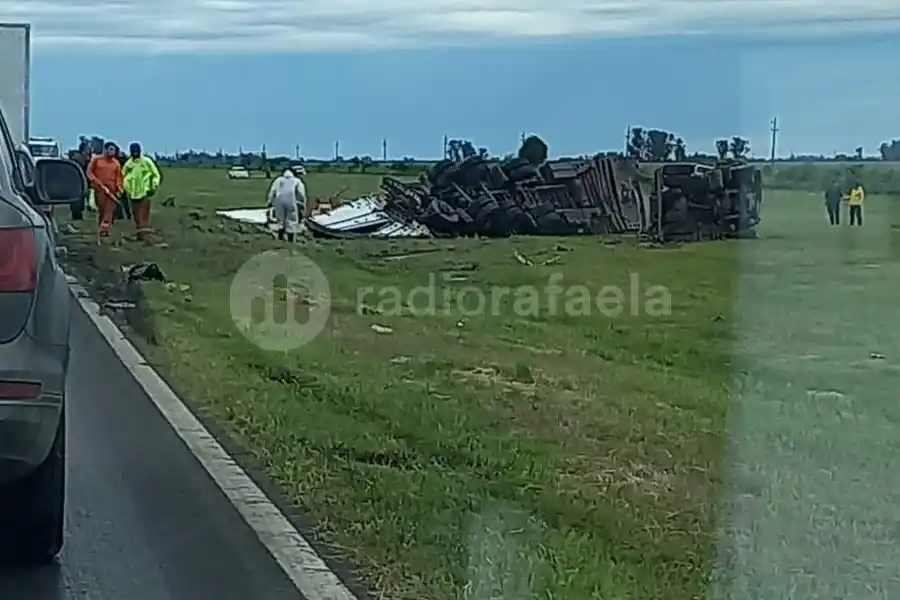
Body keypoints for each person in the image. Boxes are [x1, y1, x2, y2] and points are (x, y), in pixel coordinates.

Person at [122, 142, 161, 241]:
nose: (135, 152)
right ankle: (140, 235)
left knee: (144, 215)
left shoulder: (146, 161)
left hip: (145, 192)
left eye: (137, 150)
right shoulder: (128, 164)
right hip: (132, 194)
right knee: (136, 216)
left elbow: (156, 175)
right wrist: (125, 189)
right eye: (133, 150)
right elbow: (122, 176)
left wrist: (153, 187)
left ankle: (145, 236)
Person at [87, 142, 124, 238]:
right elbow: (89, 173)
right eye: (110, 149)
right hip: (100, 189)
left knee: (109, 210)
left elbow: (118, 177)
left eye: (114, 150)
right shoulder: (96, 160)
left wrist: (119, 189)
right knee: (102, 210)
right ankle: (101, 228)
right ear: (105, 149)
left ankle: (105, 230)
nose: (112, 152)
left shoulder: (116, 163)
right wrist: (97, 183)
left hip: (112, 190)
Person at [267, 167, 307, 242]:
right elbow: (301, 193)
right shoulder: (296, 180)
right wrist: (303, 202)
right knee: (291, 219)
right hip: (291, 200)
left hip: (279, 201)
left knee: (280, 220)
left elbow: (272, 191)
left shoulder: (278, 180)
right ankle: (290, 240)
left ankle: (280, 238)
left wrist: (270, 201)